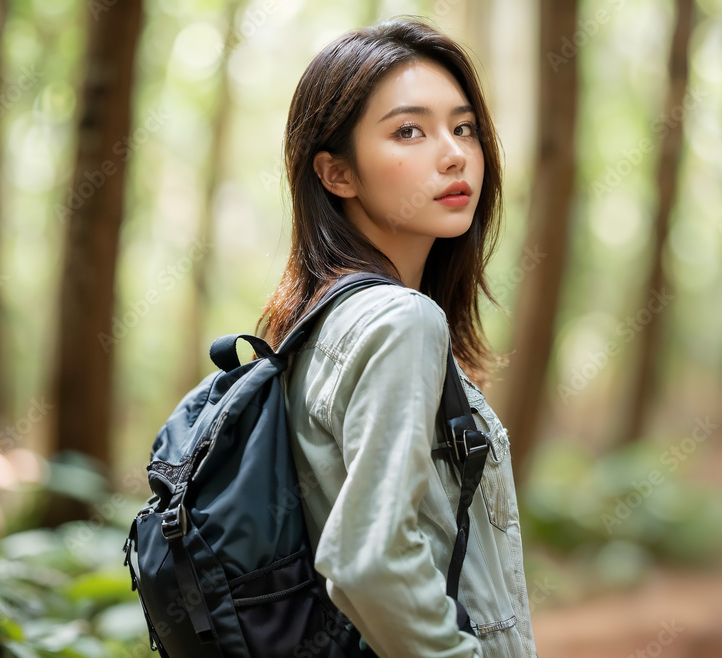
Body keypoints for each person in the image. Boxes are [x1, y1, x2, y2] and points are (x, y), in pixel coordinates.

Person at [256, 15, 538, 658]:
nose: (454, 152)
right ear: (336, 174)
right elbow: (367, 559)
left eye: (463, 127)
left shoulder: (316, 320)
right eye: (409, 130)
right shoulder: (399, 322)